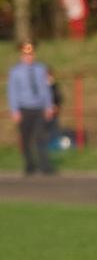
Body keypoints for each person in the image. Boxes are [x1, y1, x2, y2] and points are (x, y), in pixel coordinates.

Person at [6, 40, 55, 175]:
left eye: (31, 54)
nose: (29, 57)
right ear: (21, 56)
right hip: (24, 108)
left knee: (41, 137)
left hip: (39, 108)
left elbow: (46, 89)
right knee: (26, 139)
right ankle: (30, 166)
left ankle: (45, 166)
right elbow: (12, 91)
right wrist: (14, 110)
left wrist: (49, 106)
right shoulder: (15, 72)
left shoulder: (41, 69)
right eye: (26, 55)